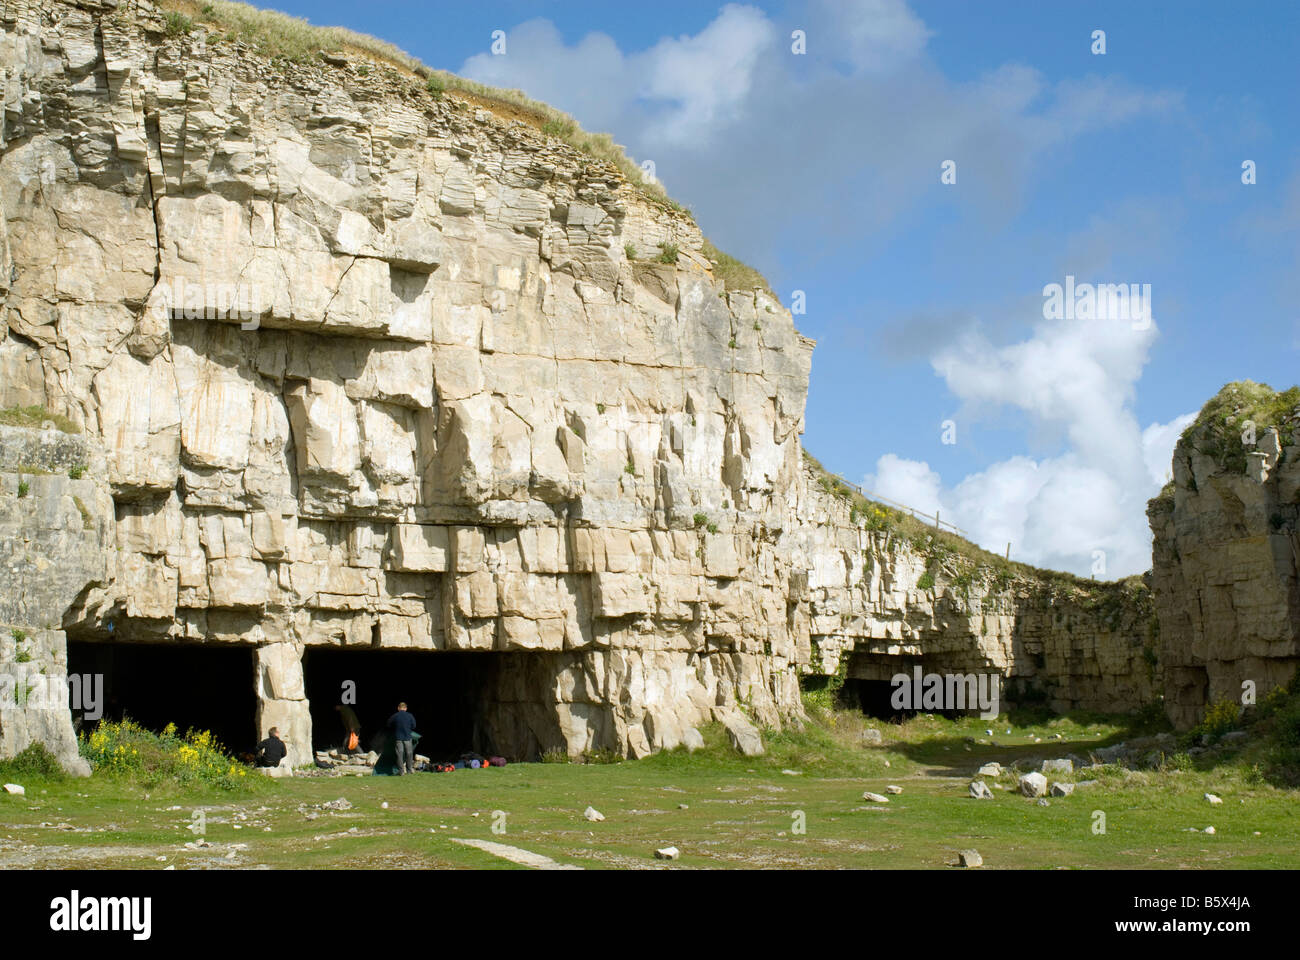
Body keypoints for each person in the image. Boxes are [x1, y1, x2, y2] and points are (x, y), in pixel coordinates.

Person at [387, 702, 417, 775]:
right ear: (406, 708)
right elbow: (414, 726)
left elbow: (388, 724)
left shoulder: (395, 716)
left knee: (399, 754)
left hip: (398, 738)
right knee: (409, 754)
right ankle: (409, 771)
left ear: (398, 708)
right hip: (407, 737)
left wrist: (395, 728)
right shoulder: (410, 715)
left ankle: (401, 772)